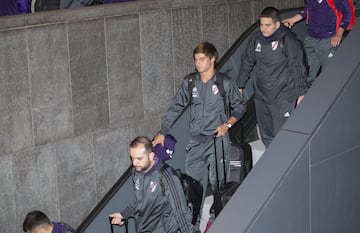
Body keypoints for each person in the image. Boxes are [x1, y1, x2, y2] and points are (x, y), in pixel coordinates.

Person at [152, 42, 246, 222]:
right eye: (196, 60)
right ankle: (193, 222)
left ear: (213, 59)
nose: (198, 64)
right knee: (194, 185)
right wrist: (162, 132)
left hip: (216, 141)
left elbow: (240, 107)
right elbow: (176, 107)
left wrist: (227, 124)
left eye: (202, 60)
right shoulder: (190, 82)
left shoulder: (223, 82)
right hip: (195, 142)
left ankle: (219, 218)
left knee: (218, 183)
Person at [237, 6, 308, 148]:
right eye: (261, 24)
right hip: (262, 96)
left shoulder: (288, 41)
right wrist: (240, 85)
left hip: (283, 96)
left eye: (267, 25)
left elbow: (298, 67)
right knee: (267, 135)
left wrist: (301, 93)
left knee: (281, 135)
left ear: (277, 24)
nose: (263, 28)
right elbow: (247, 61)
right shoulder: (256, 39)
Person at [109, 136, 196, 233]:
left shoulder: (165, 175)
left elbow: (181, 212)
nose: (134, 163)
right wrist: (123, 214)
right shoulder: (136, 172)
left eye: (139, 158)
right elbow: (140, 202)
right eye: (132, 158)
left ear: (151, 156)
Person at [282, 0, 355, 87]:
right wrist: (293, 19)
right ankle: (308, 96)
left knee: (329, 74)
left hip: (328, 39)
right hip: (311, 39)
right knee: (307, 74)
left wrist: (339, 33)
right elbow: (309, 9)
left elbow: (347, 13)